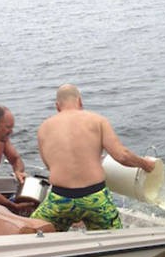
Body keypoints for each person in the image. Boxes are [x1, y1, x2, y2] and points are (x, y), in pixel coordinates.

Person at [30, 84, 155, 231]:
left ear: (57, 106)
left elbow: (49, 165)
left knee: (33, 230)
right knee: (115, 237)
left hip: (60, 199)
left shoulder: (44, 128)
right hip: (95, 197)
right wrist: (145, 164)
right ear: (80, 101)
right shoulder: (98, 120)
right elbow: (122, 156)